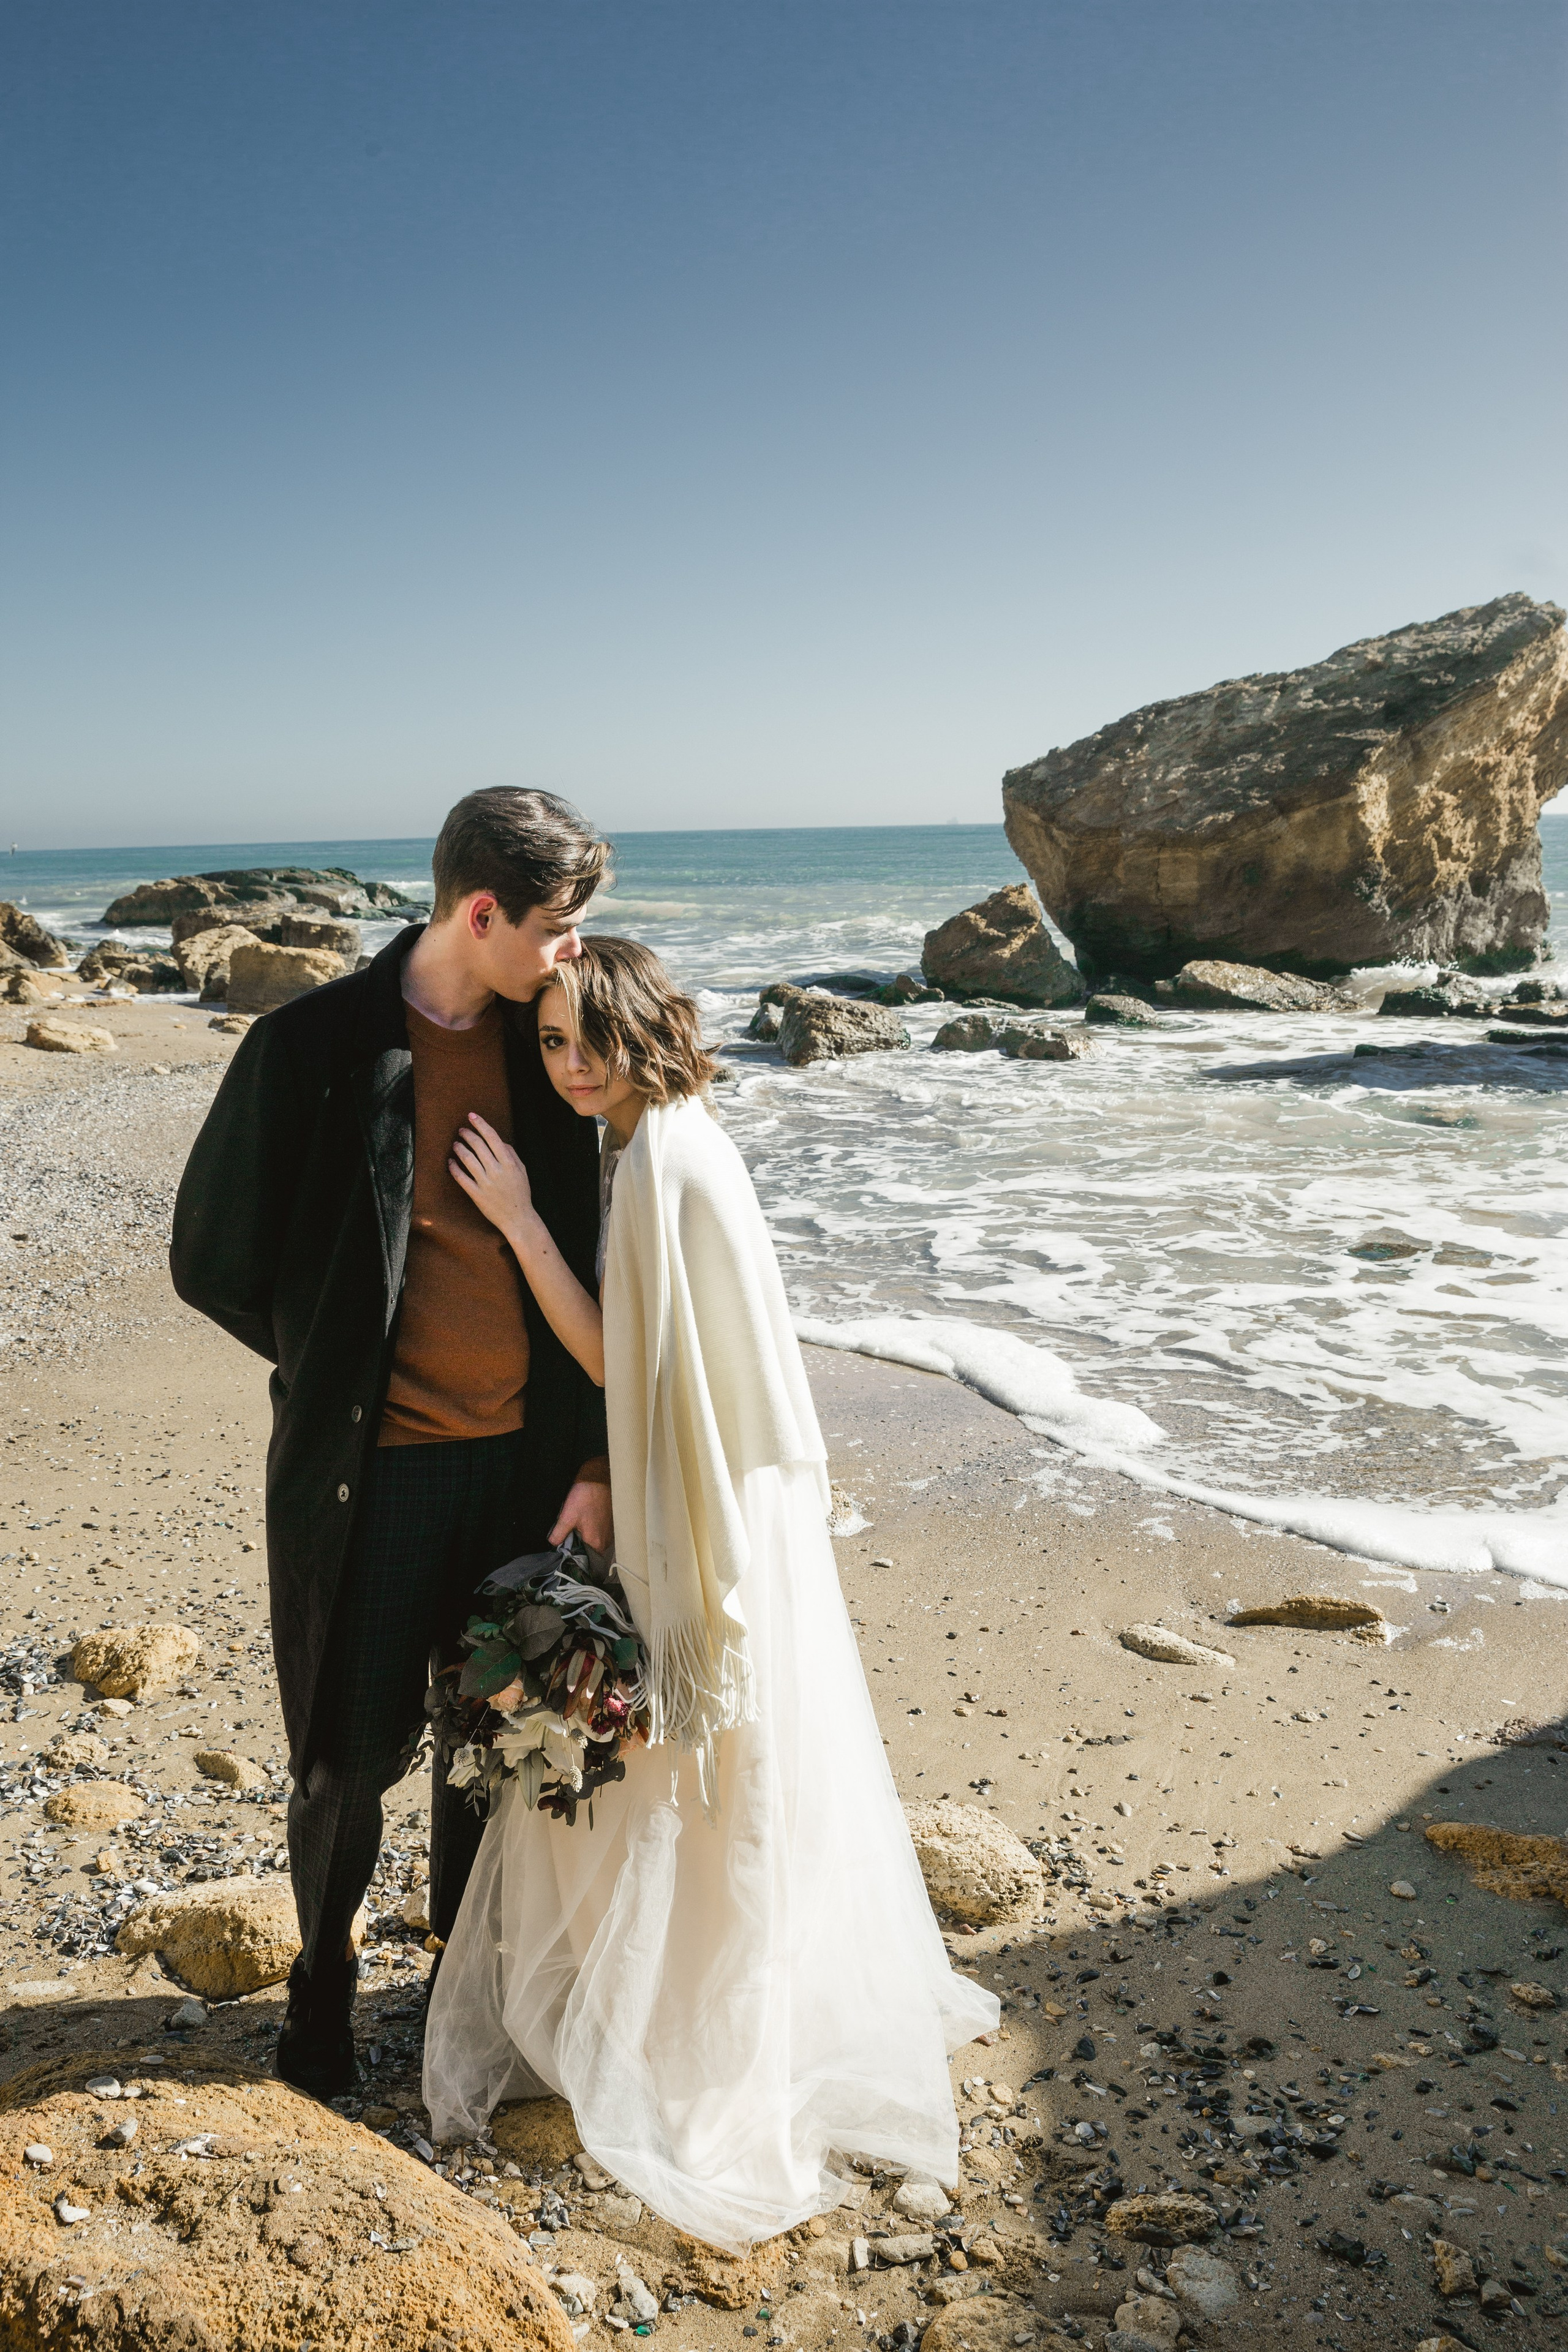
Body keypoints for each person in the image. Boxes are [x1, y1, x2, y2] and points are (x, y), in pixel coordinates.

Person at [421, 937, 998, 2250]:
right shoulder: (678, 1136)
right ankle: (711, 2002)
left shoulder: (659, 1165)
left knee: (694, 1764)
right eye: (550, 1042)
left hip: (704, 1507)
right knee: (732, 1764)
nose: (569, 1067)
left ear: (642, 1026)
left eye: (587, 1040)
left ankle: (689, 2033)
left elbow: (617, 1360)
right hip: (735, 1496)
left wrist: (516, 1222)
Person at [170, 789, 614, 2099]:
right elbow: (209, 1260)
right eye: (557, 925)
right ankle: (319, 1986)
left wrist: (593, 1459)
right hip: (373, 1477)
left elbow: (602, 1267)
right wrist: (336, 1370)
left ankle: (456, 1997)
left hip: (523, 1473)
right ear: (480, 913)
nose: (573, 951)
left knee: (491, 1747)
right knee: (343, 1761)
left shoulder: (552, 1053)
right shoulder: (309, 1047)